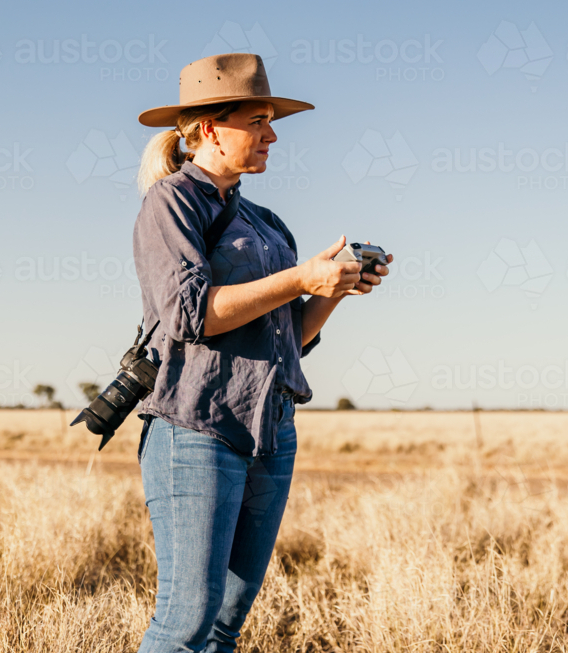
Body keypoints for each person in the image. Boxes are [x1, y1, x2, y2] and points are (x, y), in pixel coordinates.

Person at [131, 53, 391, 652]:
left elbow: (286, 342)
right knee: (186, 618)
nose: (272, 134)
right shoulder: (172, 204)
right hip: (196, 425)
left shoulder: (266, 221)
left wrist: (336, 288)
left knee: (227, 619)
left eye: (272, 120)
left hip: (272, 427)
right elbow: (190, 314)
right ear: (210, 128)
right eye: (258, 121)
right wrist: (302, 278)